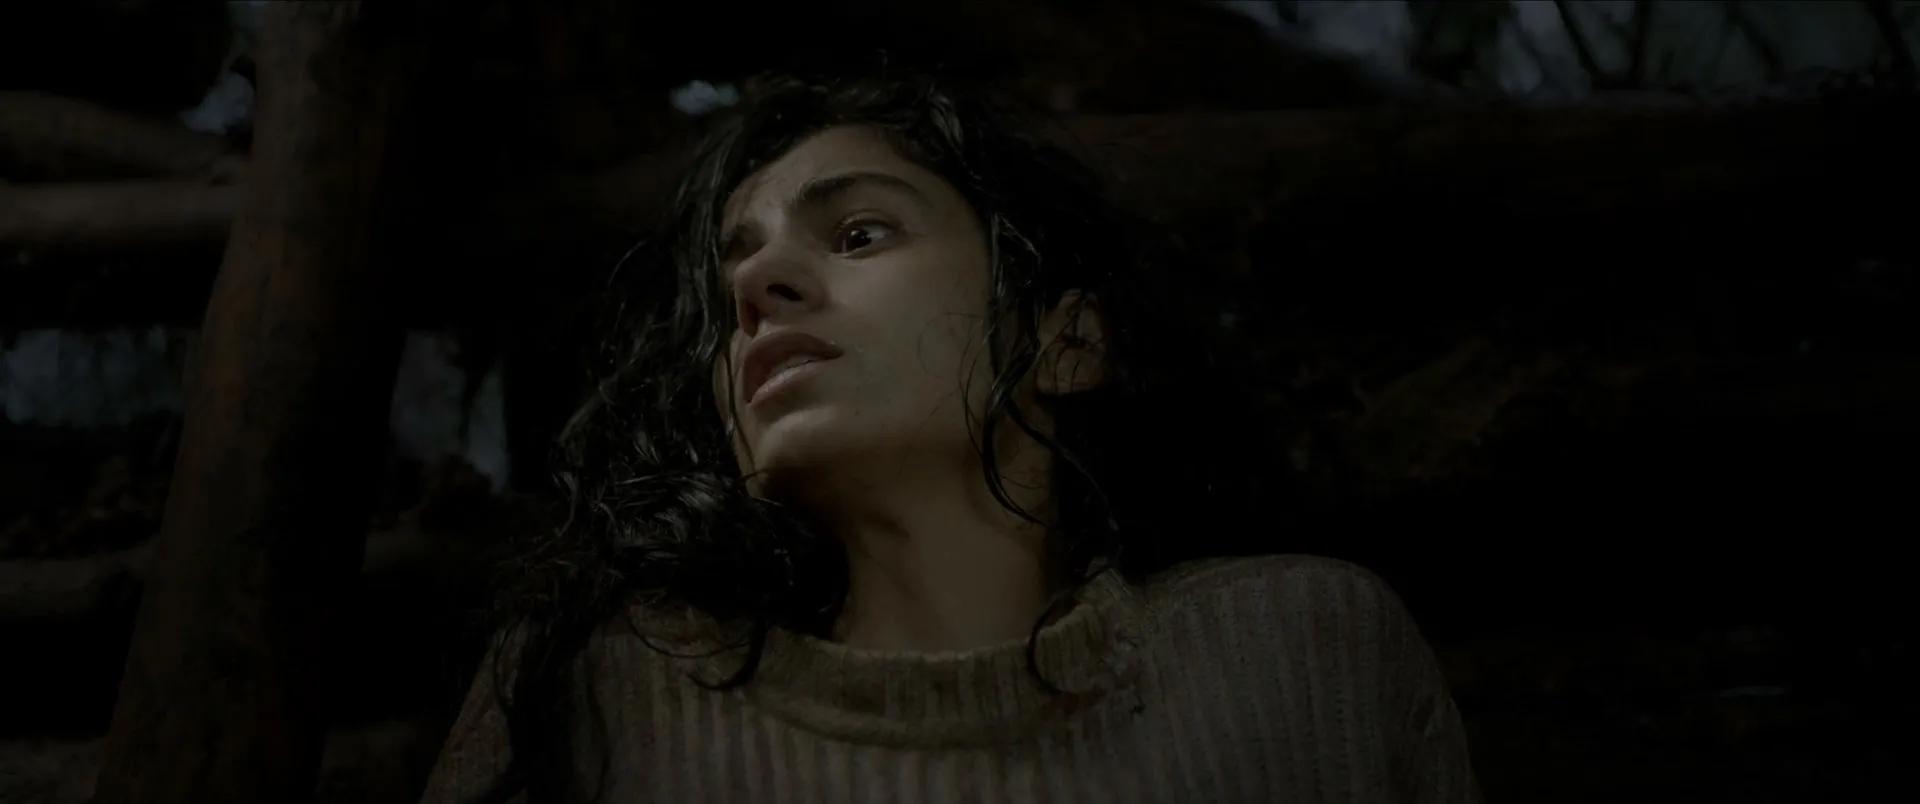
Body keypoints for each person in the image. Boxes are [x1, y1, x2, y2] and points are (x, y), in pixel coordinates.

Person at [420, 70, 1479, 804]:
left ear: (1066, 340)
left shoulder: (1303, 661)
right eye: (731, 274)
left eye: (859, 233)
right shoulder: (600, 699)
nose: (755, 285)